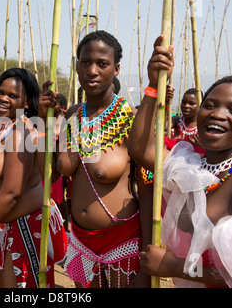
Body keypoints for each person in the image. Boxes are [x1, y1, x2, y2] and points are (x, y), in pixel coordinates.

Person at [127, 36, 232, 288]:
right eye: (210, 105)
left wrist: (174, 266)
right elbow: (140, 148)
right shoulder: (190, 163)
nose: (217, 113)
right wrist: (153, 84)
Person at [38, 30, 151, 288]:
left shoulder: (130, 119)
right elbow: (51, 174)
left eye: (102, 64)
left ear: (116, 68)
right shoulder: (72, 116)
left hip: (121, 241)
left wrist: (147, 258)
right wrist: (45, 121)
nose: (92, 71)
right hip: (80, 240)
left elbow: (147, 192)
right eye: (85, 62)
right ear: (77, 66)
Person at [0, 68, 67, 288]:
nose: (3, 98)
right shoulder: (0, 129)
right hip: (2, 225)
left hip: (24, 227)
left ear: (27, 103)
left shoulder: (23, 131)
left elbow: (12, 192)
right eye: (0, 92)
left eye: (13, 95)